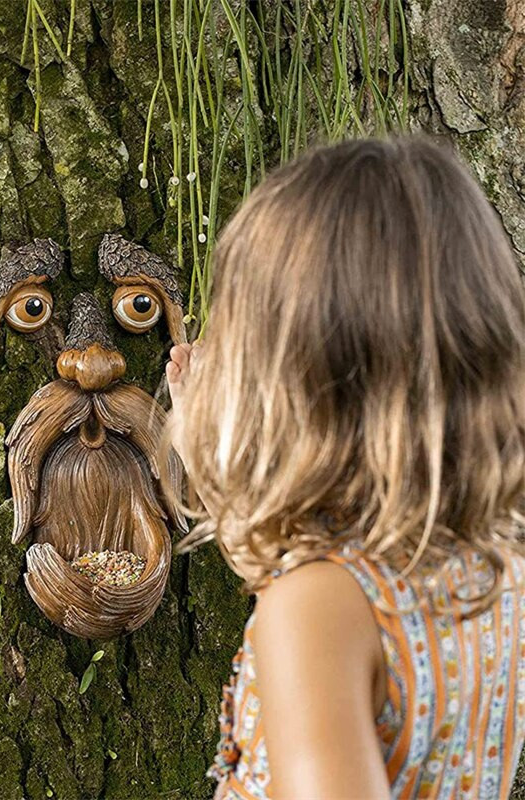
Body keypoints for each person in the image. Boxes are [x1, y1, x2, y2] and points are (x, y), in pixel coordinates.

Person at [164, 135, 525, 799]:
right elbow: (335, 597)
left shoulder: (314, 610)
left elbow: (318, 613)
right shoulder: (495, 566)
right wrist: (212, 471)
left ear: (291, 384)